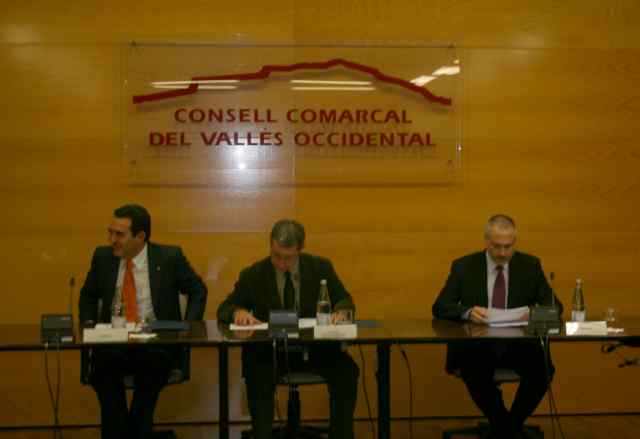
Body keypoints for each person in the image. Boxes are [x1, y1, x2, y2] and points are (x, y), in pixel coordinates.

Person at [217, 219, 359, 439]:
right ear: (270, 245)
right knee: (256, 372)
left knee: (347, 371)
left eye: (289, 257)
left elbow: (344, 299)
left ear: (300, 249)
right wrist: (238, 313)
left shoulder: (320, 267)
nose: (282, 263)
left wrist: (340, 312)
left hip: (316, 350)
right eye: (277, 256)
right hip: (270, 353)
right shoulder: (254, 274)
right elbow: (225, 308)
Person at [78, 204, 207, 439]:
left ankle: (131, 430)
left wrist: (189, 327)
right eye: (110, 232)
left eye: (119, 234)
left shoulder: (169, 258)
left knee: (150, 371)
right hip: (112, 343)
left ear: (140, 237)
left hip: (154, 344)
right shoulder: (102, 257)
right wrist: (88, 324)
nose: (112, 240)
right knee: (104, 372)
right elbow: (88, 294)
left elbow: (198, 290)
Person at [432, 214, 562, 439]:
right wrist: (468, 312)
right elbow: (440, 306)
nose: (502, 253)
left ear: (515, 242)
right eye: (496, 246)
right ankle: (508, 428)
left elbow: (555, 306)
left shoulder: (530, 266)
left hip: (518, 345)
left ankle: (507, 427)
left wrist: (535, 313)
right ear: (486, 241)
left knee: (543, 369)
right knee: (473, 367)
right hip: (478, 345)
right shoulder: (464, 266)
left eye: (508, 247)